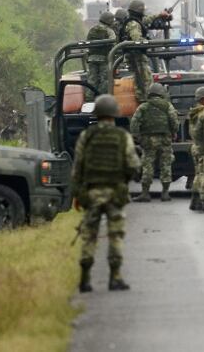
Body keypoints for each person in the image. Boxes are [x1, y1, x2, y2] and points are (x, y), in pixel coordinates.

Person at [71, 94, 140, 292]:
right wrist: (125, 179)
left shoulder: (87, 136)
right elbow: (133, 165)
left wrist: (78, 194)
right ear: (114, 114)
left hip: (92, 193)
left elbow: (77, 168)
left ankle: (85, 279)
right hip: (115, 193)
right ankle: (115, 277)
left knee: (89, 236)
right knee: (115, 235)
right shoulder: (122, 136)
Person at [129, 83, 178, 202]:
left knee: (147, 165)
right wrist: (174, 132)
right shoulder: (168, 106)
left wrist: (137, 137)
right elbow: (174, 121)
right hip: (165, 139)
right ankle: (165, 193)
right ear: (162, 93)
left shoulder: (143, 107)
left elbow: (134, 123)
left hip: (148, 140)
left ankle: (145, 193)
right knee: (166, 165)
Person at [118, 0, 171, 103]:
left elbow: (147, 20)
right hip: (136, 57)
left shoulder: (134, 20)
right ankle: (146, 103)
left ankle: (145, 102)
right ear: (139, 11)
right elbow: (137, 40)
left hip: (137, 56)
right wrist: (150, 42)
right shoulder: (133, 24)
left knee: (143, 81)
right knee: (145, 83)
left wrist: (160, 15)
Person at [187, 85, 204, 211]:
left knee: (199, 174)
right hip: (202, 146)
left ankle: (195, 201)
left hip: (196, 146)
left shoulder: (195, 111)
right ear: (201, 99)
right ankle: (203, 201)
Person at [85, 11, 117, 101]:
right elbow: (114, 44)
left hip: (91, 58)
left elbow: (88, 42)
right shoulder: (109, 31)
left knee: (92, 80)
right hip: (104, 59)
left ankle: (89, 99)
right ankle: (101, 99)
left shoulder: (92, 29)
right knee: (105, 80)